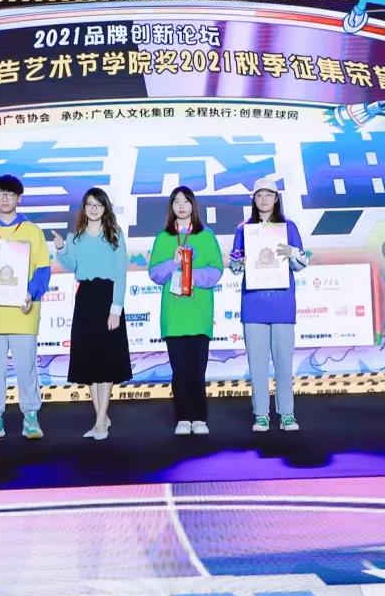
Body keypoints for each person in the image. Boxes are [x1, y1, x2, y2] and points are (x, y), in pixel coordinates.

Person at [0, 174, 51, 441]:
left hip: (23, 313)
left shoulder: (32, 231)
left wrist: (31, 293)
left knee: (26, 368)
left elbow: (43, 270)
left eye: (10, 194)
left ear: (18, 198)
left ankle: (31, 417)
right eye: (0, 193)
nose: (5, 198)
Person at [228, 176, 309, 433]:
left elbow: (302, 263)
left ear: (276, 199)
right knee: (258, 365)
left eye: (268, 195)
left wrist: (292, 253)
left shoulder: (288, 227)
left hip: (282, 303)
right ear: (253, 199)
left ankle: (287, 413)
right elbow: (234, 266)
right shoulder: (244, 229)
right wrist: (238, 261)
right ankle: (261, 414)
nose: (264, 199)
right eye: (259, 195)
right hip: (253, 305)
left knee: (284, 364)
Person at [53, 188, 132, 440]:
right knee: (89, 360)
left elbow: (120, 273)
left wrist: (116, 308)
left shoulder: (114, 234)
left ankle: (100, 422)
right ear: (84, 208)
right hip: (85, 297)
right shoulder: (75, 237)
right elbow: (71, 266)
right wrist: (61, 249)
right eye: (89, 204)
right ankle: (101, 417)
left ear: (105, 208)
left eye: (98, 204)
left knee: (106, 360)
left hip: (107, 296)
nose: (93, 208)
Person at [147, 187, 223, 436]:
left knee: (197, 370)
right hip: (174, 315)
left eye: (186, 201)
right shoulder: (163, 237)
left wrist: (190, 275)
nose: (181, 206)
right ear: (171, 207)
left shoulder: (206, 235)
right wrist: (174, 264)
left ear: (193, 205)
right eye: (176, 201)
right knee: (179, 370)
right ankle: (182, 417)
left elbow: (216, 271)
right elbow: (155, 273)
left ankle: (199, 417)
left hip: (199, 314)